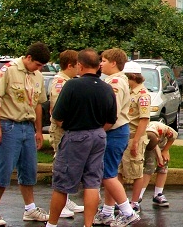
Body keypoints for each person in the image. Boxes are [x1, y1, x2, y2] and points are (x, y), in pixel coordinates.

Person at [45, 49, 117, 227]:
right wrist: (98, 129)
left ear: (80, 65)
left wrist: (70, 125)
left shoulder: (71, 86)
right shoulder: (107, 88)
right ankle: (88, 224)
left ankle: (52, 224)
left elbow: (58, 116)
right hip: (99, 136)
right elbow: (111, 120)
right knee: (92, 182)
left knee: (63, 182)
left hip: (76, 135)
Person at [0, 42, 50, 226]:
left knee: (29, 169)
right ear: (28, 58)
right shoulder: (9, 71)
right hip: (9, 124)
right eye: (37, 64)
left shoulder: (37, 76)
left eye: (42, 66)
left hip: (27, 126)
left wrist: (38, 131)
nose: (39, 68)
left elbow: (38, 104)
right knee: (3, 169)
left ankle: (30, 208)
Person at [93, 48, 139, 227]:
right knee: (109, 172)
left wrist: (100, 130)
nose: (100, 63)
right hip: (116, 131)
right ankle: (107, 211)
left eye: (103, 60)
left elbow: (111, 113)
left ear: (113, 63)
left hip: (113, 131)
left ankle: (128, 212)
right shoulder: (115, 80)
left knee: (108, 174)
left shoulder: (115, 83)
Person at [47, 50, 84, 218]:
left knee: (68, 166)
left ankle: (66, 199)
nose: (79, 68)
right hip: (62, 130)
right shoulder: (60, 83)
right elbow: (57, 111)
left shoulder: (69, 81)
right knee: (62, 166)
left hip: (68, 129)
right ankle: (59, 205)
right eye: (77, 65)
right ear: (70, 65)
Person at [117, 61, 151, 213]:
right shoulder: (129, 92)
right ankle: (121, 201)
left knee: (136, 170)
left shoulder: (142, 95)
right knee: (119, 170)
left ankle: (134, 201)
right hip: (123, 136)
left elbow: (144, 119)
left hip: (134, 136)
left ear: (131, 76)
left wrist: (136, 141)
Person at [139, 121, 177, 207]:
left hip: (161, 143)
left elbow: (174, 136)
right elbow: (154, 145)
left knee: (163, 166)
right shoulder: (147, 131)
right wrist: (159, 156)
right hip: (150, 144)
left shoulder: (166, 130)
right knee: (150, 166)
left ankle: (158, 194)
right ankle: (139, 195)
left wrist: (165, 151)